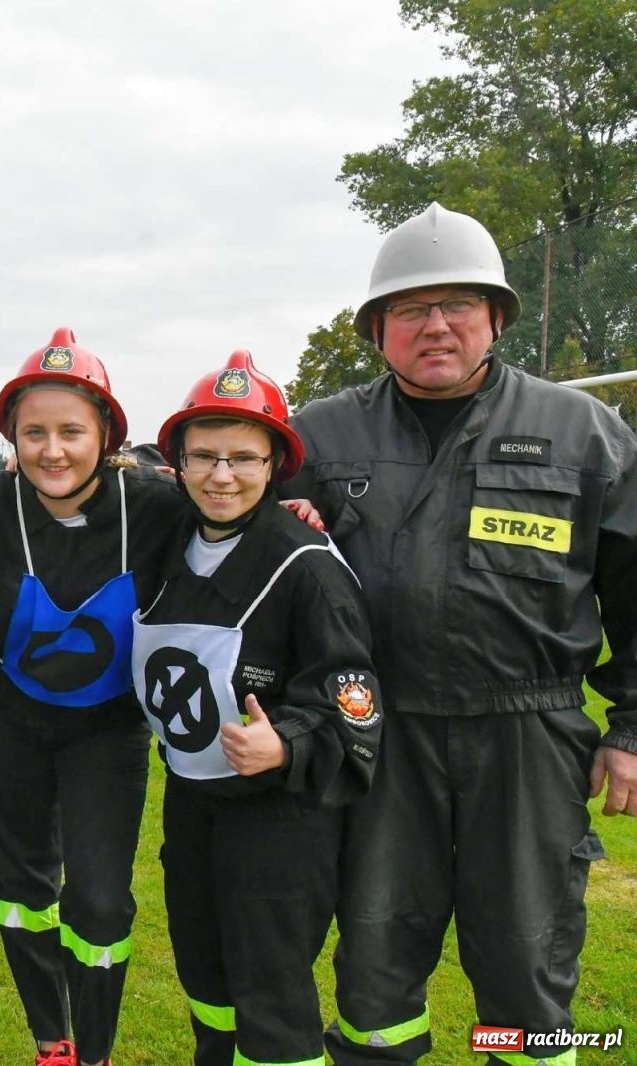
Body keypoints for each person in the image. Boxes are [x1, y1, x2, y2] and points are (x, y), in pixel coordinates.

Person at [281, 203, 637, 1063]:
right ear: (376, 330)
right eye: (409, 309)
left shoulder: (583, 433)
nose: (435, 325)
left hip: (528, 734)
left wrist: (629, 729)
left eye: (459, 305)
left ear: (496, 318)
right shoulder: (318, 436)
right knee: (374, 953)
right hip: (378, 732)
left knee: (525, 954)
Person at [136, 350, 380, 1066]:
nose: (220, 475)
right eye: (204, 456)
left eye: (242, 458)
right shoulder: (168, 543)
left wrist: (289, 745)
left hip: (279, 817)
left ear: (275, 464)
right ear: (177, 461)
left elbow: (355, 701)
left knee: (270, 990)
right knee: (205, 974)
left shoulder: (307, 564)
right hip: (191, 799)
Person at [0, 330, 182, 1066]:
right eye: (34, 433)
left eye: (71, 432)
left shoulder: (155, 506)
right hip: (9, 720)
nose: (52, 450)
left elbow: (239, 513)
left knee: (99, 898)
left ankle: (96, 1049)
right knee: (22, 887)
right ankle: (50, 1039)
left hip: (107, 729)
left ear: (107, 435)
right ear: (12, 437)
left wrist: (299, 504)